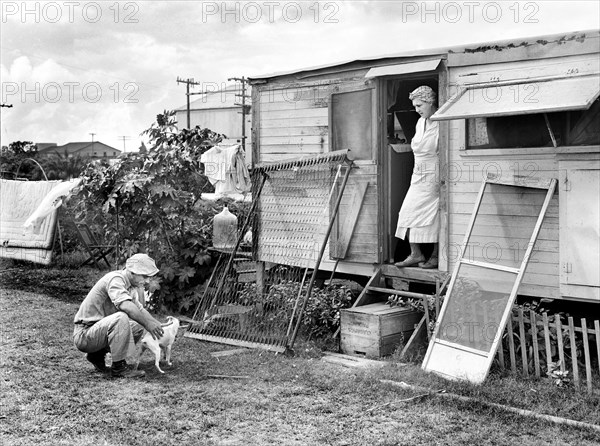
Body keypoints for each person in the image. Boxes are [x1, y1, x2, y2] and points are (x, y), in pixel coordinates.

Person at [73, 253, 165, 378]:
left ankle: (97, 355)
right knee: (122, 317)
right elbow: (126, 305)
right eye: (144, 276)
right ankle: (119, 368)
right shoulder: (115, 279)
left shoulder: (131, 287)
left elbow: (140, 310)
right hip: (84, 334)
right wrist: (148, 324)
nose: (147, 281)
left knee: (137, 326)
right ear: (132, 272)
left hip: (96, 332)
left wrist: (155, 324)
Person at [394, 85, 440, 269]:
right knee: (407, 211)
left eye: (420, 105)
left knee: (435, 214)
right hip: (418, 174)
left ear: (431, 102)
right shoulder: (420, 122)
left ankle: (436, 256)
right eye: (415, 106)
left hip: (433, 174)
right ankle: (416, 253)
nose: (417, 109)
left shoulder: (441, 122)